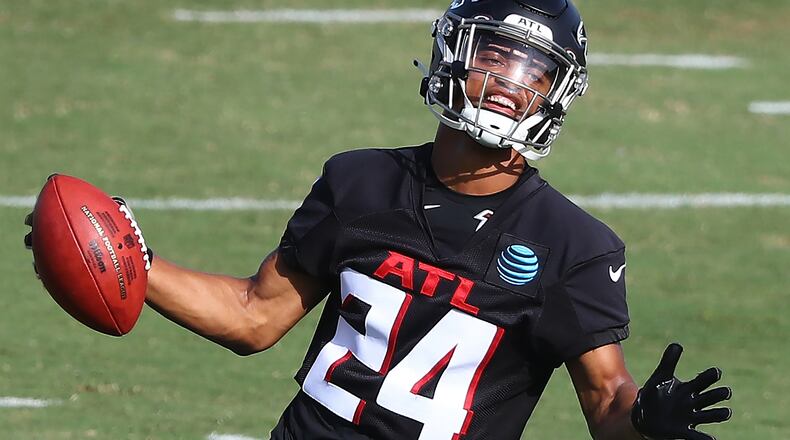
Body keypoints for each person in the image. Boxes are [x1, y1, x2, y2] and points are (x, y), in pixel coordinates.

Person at [24, 0, 732, 438]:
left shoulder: (573, 245)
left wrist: (647, 420)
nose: (509, 86)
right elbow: (253, 317)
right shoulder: (361, 180)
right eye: (494, 58)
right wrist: (125, 261)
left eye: (532, 75)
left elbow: (608, 401)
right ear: (454, 53)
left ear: (557, 96)